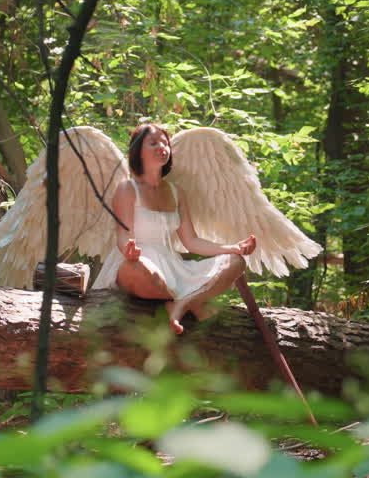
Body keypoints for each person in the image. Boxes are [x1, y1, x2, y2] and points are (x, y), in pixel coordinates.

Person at [94, 123, 258, 334]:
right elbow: (123, 235)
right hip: (137, 263)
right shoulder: (127, 188)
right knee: (139, 271)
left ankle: (180, 305)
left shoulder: (176, 191)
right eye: (153, 143)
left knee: (236, 262)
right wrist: (130, 253)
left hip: (173, 266)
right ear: (138, 151)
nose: (162, 147)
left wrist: (232, 248)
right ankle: (196, 300)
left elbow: (192, 242)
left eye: (165, 143)